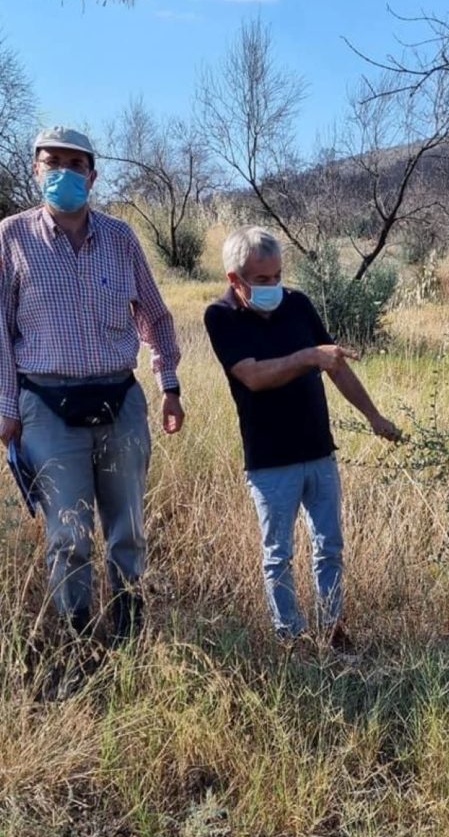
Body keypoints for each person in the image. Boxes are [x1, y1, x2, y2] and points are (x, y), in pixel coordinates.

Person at [0, 125, 184, 677]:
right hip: (46, 406)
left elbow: (155, 316)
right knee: (68, 534)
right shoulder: (10, 238)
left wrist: (168, 386)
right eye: (51, 162)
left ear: (92, 175)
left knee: (127, 528)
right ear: (36, 171)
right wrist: (7, 407)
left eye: (74, 164)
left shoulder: (121, 238)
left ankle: (128, 640)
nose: (63, 173)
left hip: (119, 399)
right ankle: (82, 645)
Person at [204, 225, 400, 655]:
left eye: (278, 276)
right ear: (235, 280)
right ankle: (290, 636)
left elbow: (336, 366)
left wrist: (373, 416)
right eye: (262, 280)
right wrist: (310, 356)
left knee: (330, 546)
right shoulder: (220, 316)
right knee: (279, 554)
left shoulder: (298, 305)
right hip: (270, 461)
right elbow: (253, 376)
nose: (274, 286)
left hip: (318, 450)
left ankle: (332, 628)